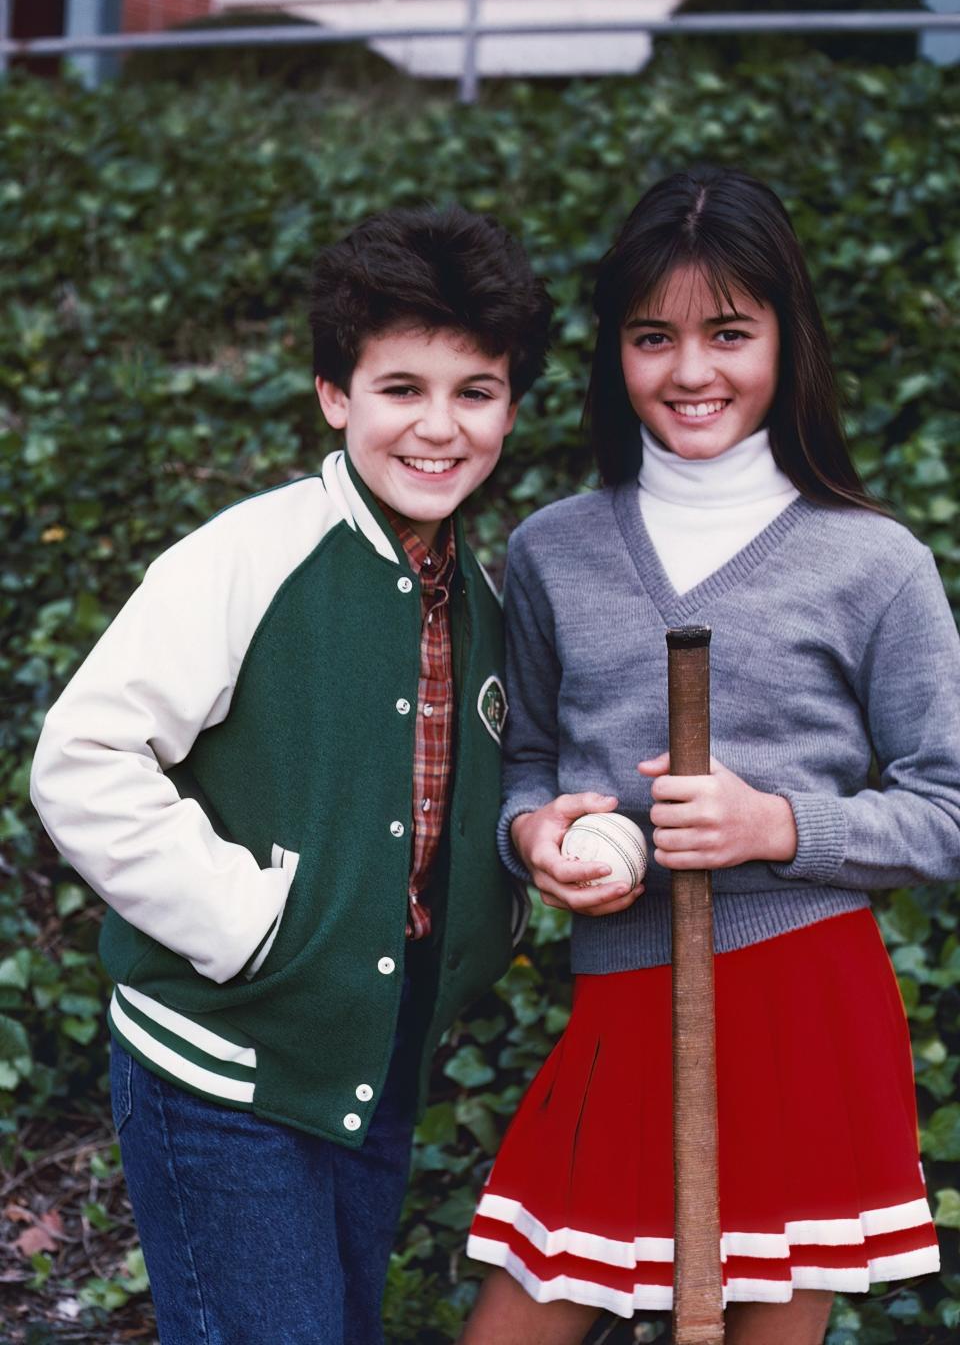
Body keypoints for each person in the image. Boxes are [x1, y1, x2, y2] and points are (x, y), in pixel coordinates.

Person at [30, 204, 551, 1345]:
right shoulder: (248, 557)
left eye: (476, 391)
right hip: (224, 1067)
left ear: (512, 406)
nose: (439, 426)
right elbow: (82, 759)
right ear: (334, 395)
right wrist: (249, 923)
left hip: (376, 1058)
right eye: (400, 388)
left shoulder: (485, 599)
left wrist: (497, 914)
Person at [461, 166, 960, 1345]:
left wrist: (780, 826)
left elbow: (948, 808)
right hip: (622, 1007)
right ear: (615, 353)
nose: (691, 373)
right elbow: (524, 761)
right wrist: (533, 834)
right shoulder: (553, 552)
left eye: (729, 332)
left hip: (806, 1013)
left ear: (787, 336)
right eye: (654, 337)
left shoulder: (873, 562)